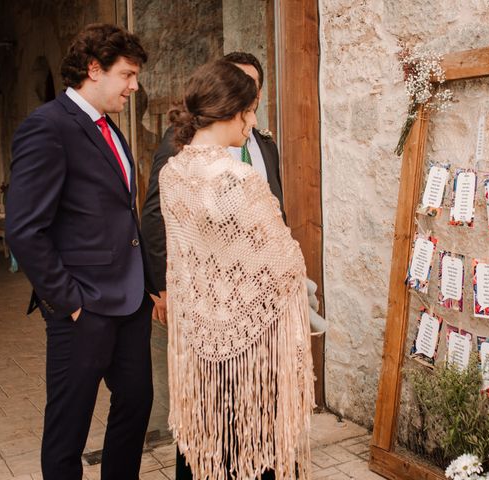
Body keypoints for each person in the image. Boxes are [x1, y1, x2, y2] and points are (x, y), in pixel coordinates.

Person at [5, 24, 156, 480]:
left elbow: (121, 217)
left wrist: (149, 285)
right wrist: (68, 303)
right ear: (94, 69)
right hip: (83, 307)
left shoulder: (111, 129)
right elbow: (24, 229)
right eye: (127, 74)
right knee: (67, 431)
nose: (135, 85)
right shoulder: (46, 126)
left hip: (130, 303)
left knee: (136, 403)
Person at [159, 60, 314, 479]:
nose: (253, 123)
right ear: (233, 111)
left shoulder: (172, 173)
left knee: (207, 438)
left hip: (199, 338)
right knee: (250, 441)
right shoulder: (239, 178)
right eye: (249, 111)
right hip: (250, 342)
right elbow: (284, 263)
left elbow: (191, 253)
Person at [141, 51, 284, 326]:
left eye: (249, 85)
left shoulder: (265, 144)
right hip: (209, 298)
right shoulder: (182, 144)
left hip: (260, 292)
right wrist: (163, 286)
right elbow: (155, 215)